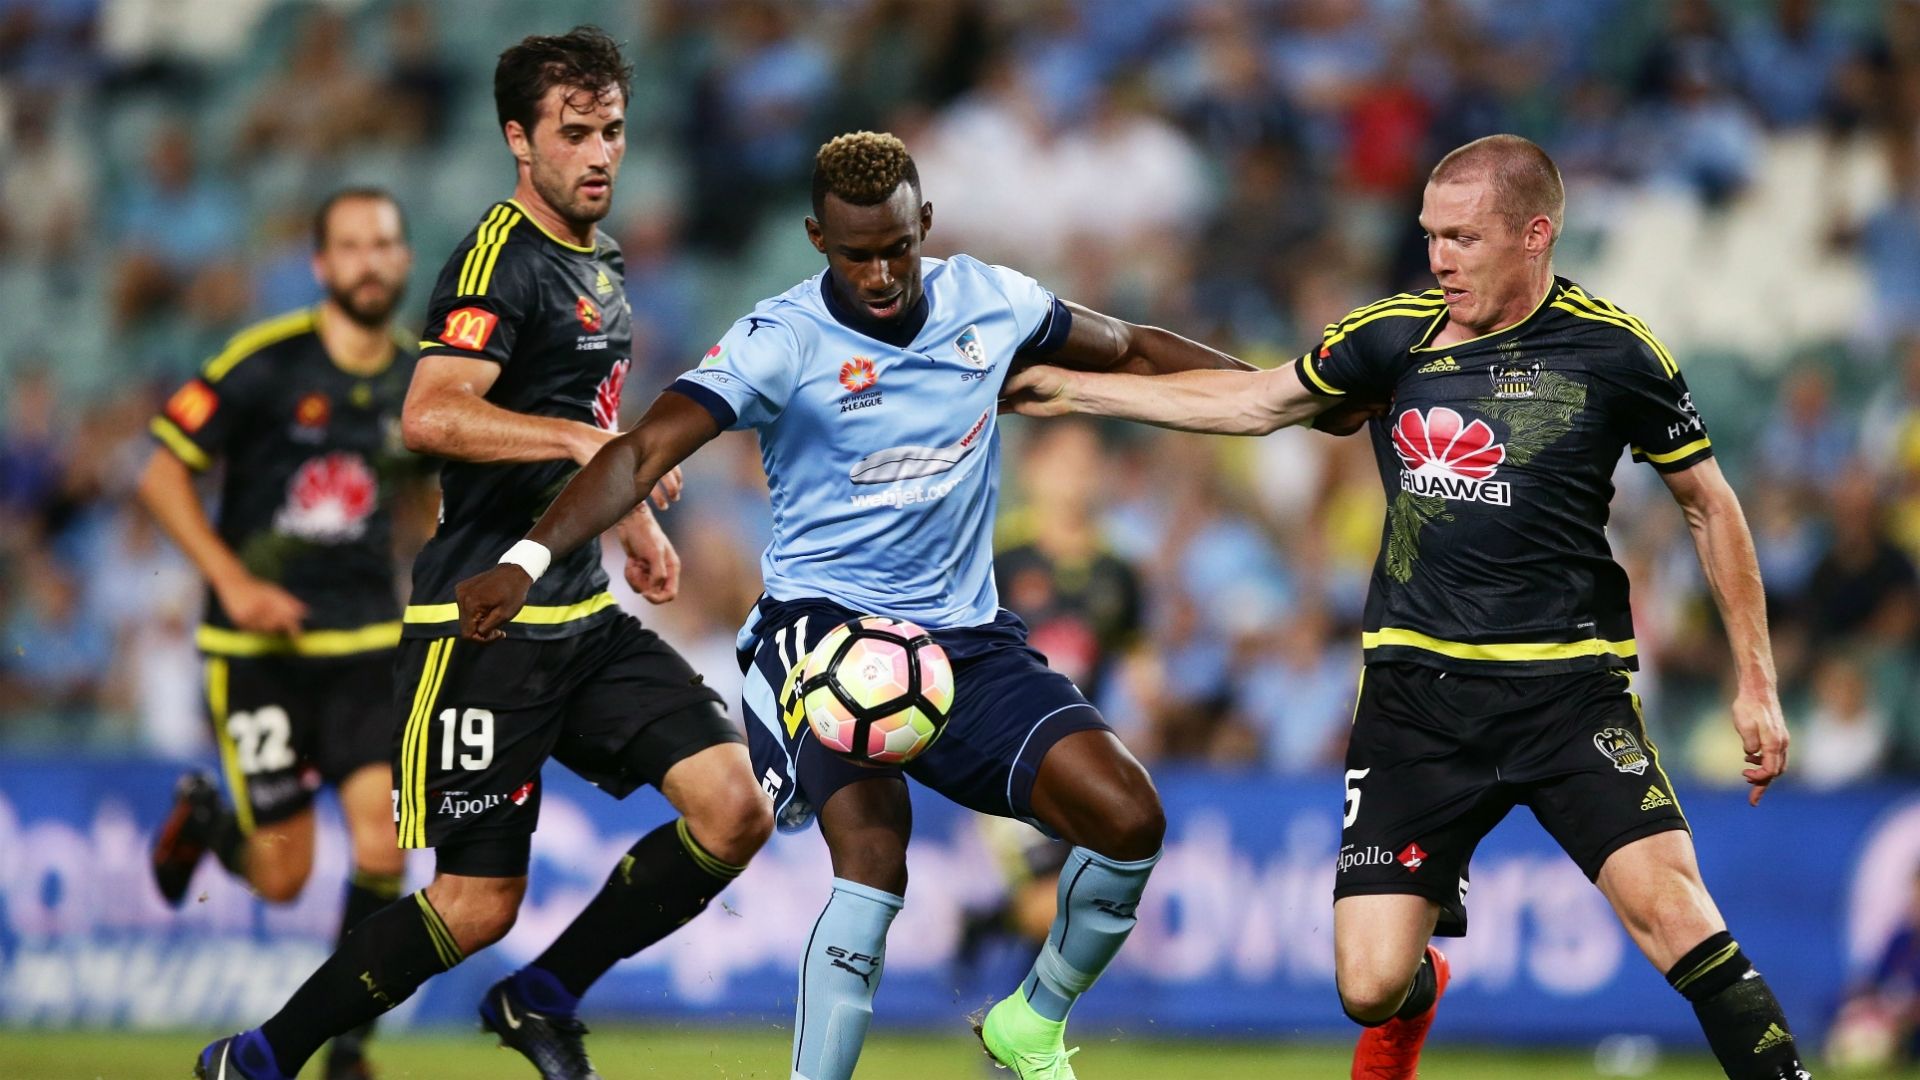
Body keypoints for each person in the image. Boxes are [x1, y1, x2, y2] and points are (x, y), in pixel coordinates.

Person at [1001, 134, 1810, 1080]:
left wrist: (1757, 679)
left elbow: (1709, 502)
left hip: (1568, 694)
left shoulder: (1615, 352)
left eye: (1464, 238)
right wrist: (1078, 389)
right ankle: (1419, 991)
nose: (1438, 258)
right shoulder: (1394, 333)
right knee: (1369, 985)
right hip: (1414, 701)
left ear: (1535, 234)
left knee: (1675, 913)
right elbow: (1257, 402)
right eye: (1430, 235)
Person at [456, 130, 1252, 1080]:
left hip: (967, 639)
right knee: (875, 857)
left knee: (1130, 819)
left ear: (925, 225)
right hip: (820, 635)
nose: (879, 273)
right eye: (854, 253)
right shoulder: (781, 341)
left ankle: (1030, 1022)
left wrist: (1284, 394)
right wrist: (528, 556)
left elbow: (1127, 346)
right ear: (815, 239)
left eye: (896, 248)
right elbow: (639, 450)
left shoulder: (988, 302)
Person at [192, 27, 771, 1080]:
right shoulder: (495, 259)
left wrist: (629, 513)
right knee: (473, 904)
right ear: (520, 139)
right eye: (576, 133)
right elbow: (431, 412)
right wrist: (592, 446)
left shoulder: (597, 257)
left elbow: (575, 413)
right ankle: (260, 1057)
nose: (601, 155)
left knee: (736, 808)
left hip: (581, 615)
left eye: (615, 133)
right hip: (481, 628)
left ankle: (544, 995)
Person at [144, 187, 418, 1080]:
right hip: (259, 656)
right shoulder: (264, 364)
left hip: (367, 649)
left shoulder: (422, 377)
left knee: (383, 847)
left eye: (384, 243)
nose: (370, 260)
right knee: (282, 876)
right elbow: (160, 477)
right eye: (351, 245)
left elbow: (424, 495)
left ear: (403, 260)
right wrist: (233, 581)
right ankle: (210, 824)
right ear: (321, 265)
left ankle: (349, 1046)